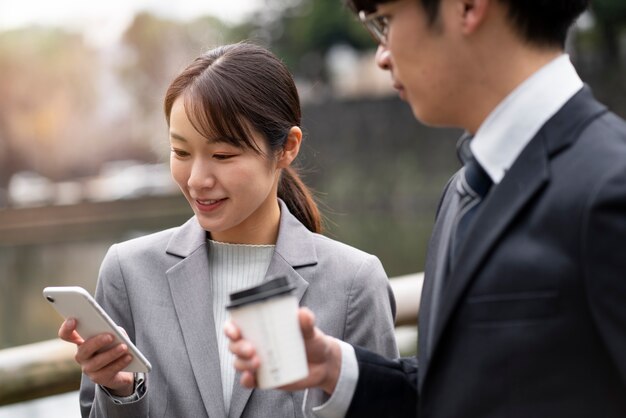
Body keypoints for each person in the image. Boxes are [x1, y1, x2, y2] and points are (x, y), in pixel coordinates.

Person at [227, 0, 626, 417]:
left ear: (468, 7)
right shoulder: (463, 189)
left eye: (385, 21)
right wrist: (337, 368)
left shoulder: (611, 187)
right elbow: (460, 390)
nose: (382, 55)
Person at [58, 42, 398, 418]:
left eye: (222, 155)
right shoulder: (128, 272)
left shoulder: (354, 283)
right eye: (181, 153)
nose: (198, 179)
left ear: (287, 147)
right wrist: (121, 391)